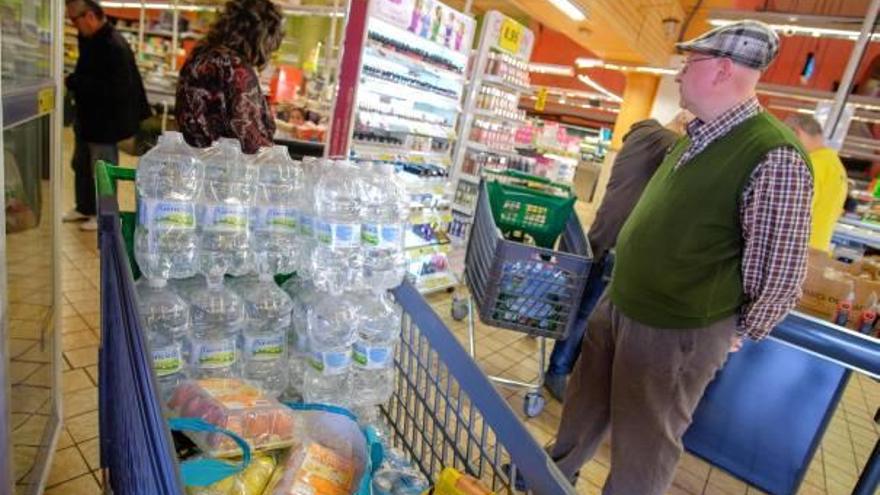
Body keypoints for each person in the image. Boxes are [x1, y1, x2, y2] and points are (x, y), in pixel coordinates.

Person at [548, 20, 813, 494]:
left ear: (722, 70)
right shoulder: (697, 134)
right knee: (584, 405)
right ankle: (548, 477)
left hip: (679, 329)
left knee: (645, 442)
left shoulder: (774, 154)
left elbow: (781, 273)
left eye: (689, 64)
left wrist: (739, 330)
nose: (678, 75)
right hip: (623, 302)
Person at [544, 114, 687, 400]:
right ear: (684, 121)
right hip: (616, 244)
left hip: (604, 236)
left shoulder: (641, 134)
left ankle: (565, 368)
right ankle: (559, 370)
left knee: (585, 310)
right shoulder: (664, 140)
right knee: (587, 314)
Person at [64, 0, 150, 231]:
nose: (73, 25)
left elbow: (116, 89)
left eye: (74, 19)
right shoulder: (92, 40)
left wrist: (75, 82)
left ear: (90, 16)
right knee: (81, 164)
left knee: (102, 170)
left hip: (105, 123)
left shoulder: (112, 45)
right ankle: (84, 207)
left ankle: (105, 216)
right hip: (89, 119)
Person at [175, 0, 284, 154]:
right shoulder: (237, 69)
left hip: (192, 162)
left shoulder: (198, 56)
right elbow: (251, 140)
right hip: (225, 171)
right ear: (263, 37)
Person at [785, 114, 848, 252]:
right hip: (818, 248)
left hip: (797, 249)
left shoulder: (811, 165)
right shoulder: (835, 165)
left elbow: (792, 213)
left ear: (796, 132)